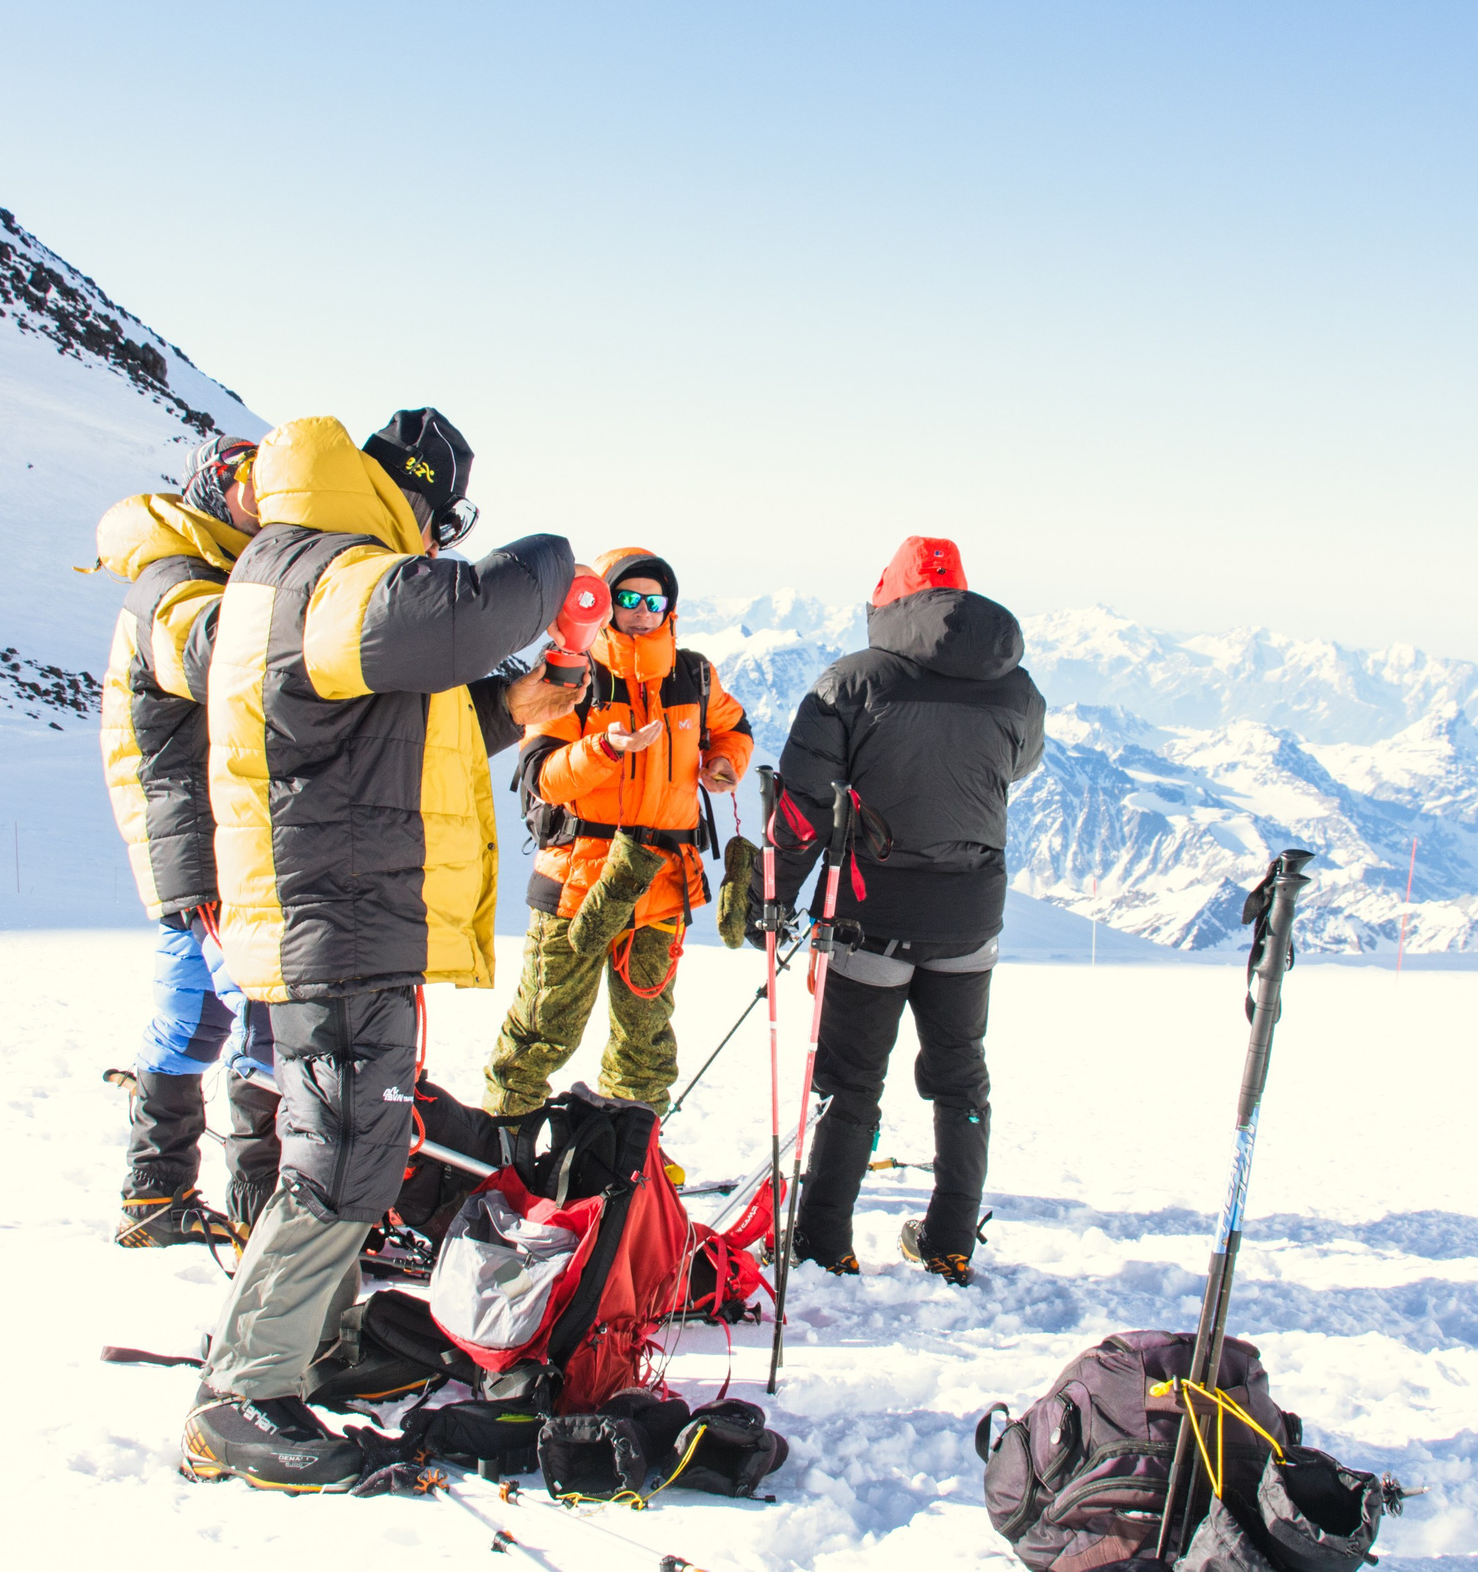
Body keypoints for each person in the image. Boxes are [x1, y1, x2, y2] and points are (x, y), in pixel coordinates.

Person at [181, 409, 577, 1492]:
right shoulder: (337, 572)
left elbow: (362, 732)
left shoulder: (298, 572)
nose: (441, 549)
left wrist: (511, 711)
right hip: (338, 909)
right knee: (346, 1145)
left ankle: (307, 1347)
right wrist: (560, 566)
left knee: (350, 1135)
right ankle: (242, 1391)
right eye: (441, 527)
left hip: (339, 904)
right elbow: (484, 603)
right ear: (418, 508)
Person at [769, 536, 1044, 1287]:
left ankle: (824, 1240)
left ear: (886, 599)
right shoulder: (1016, 687)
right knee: (960, 1078)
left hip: (870, 910)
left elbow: (801, 805)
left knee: (850, 1079)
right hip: (970, 913)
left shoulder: (849, 683)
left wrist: (776, 898)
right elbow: (1017, 765)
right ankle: (951, 1238)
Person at [481, 547, 752, 1117]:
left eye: (655, 600)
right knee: (540, 1032)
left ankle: (631, 1164)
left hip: (661, 885)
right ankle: (505, 1152)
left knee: (645, 1044)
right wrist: (605, 749)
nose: (642, 611)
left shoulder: (693, 673)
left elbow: (732, 726)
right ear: (603, 603)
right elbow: (543, 779)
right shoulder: (572, 670)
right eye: (627, 598)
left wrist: (725, 762)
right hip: (578, 885)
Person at [92, 432, 280, 1247]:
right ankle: (266, 1214)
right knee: (269, 1019)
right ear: (211, 486)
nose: (264, 494)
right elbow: (218, 663)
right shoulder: (179, 581)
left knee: (187, 1018)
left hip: (186, 839)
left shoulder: (202, 571)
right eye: (248, 479)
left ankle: (154, 1191)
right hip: (208, 841)